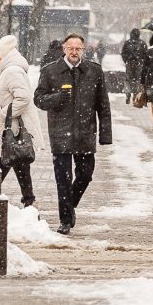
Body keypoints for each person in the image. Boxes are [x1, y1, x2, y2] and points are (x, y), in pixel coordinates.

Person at [33, 32, 112, 233]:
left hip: (86, 133)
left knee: (86, 175)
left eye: (78, 49)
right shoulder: (51, 71)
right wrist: (57, 98)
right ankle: (65, 221)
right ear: (64, 49)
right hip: (60, 133)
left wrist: (105, 134)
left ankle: (70, 206)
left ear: (83, 50)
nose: (74, 52)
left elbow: (103, 105)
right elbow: (39, 99)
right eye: (71, 48)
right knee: (63, 179)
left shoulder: (93, 71)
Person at [0, 34, 42, 209]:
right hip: (11, 131)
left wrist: (5, 114)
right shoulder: (6, 71)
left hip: (11, 131)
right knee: (20, 166)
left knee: (0, 167)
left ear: (3, 56)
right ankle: (28, 202)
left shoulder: (12, 71)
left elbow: (24, 97)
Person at [120, 28, 146, 103]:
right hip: (139, 64)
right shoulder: (142, 43)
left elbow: (123, 53)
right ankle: (135, 94)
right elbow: (145, 54)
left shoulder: (127, 43)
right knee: (138, 80)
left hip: (129, 63)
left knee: (128, 80)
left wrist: (126, 60)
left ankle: (128, 94)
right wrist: (142, 61)